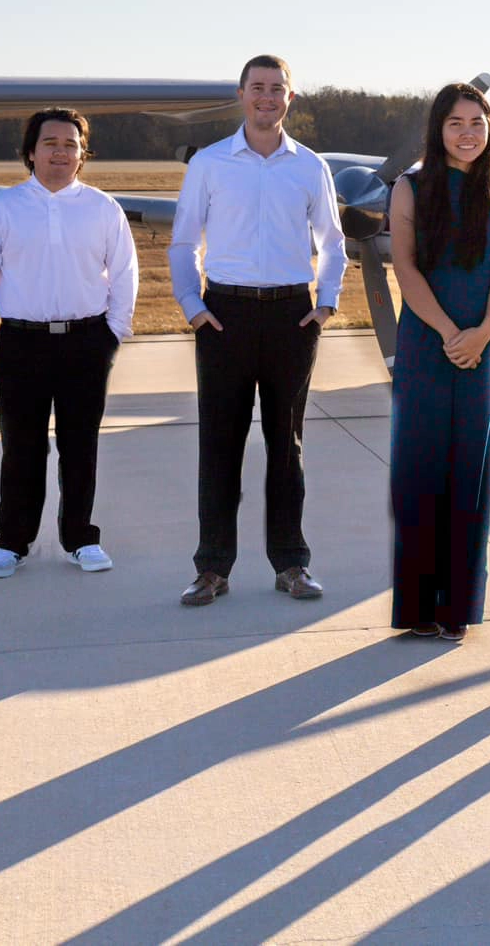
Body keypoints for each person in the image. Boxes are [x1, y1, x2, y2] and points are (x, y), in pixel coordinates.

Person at [169, 55, 348, 607]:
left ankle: (291, 563)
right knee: (219, 446)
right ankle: (212, 568)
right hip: (224, 316)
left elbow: (333, 242)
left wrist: (326, 305)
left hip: (292, 317)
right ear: (241, 94)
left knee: (286, 448)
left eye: (277, 89)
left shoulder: (309, 166)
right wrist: (193, 307)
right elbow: (182, 241)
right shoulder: (211, 163)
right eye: (257, 88)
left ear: (289, 98)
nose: (267, 97)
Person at [0, 108, 138, 579]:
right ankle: (12, 542)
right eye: (50, 143)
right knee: (21, 448)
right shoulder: (3, 208)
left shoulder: (103, 209)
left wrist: (112, 334)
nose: (60, 152)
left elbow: (124, 274)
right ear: (31, 152)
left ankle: (81, 538)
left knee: (81, 446)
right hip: (20, 344)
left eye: (70, 145)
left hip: (87, 341)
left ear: (83, 155)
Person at [387, 84, 490, 642]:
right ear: (437, 129)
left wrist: (482, 333)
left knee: (472, 472)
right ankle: (418, 607)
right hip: (427, 342)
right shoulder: (410, 188)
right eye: (455, 123)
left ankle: (457, 608)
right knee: (419, 470)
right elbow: (405, 268)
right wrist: (449, 333)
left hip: (484, 344)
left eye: (477, 122)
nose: (467, 133)